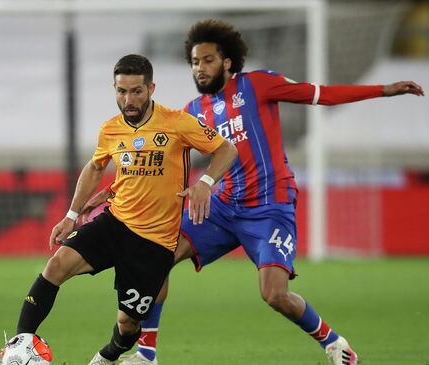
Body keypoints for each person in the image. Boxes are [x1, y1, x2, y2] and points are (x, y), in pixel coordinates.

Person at [81, 19, 424, 365]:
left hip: (269, 207)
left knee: (274, 294)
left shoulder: (259, 85)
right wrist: (111, 192)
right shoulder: (192, 112)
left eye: (208, 60)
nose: (200, 68)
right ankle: (146, 354)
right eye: (195, 62)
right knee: (157, 257)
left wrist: (382, 89)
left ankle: (335, 345)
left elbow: (321, 94)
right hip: (224, 206)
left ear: (227, 62)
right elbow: (154, 167)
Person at [0, 54, 237, 365]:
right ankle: (18, 347)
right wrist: (70, 215)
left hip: (154, 242)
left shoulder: (177, 123)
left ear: (151, 89)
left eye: (136, 91)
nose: (128, 99)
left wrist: (205, 182)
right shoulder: (111, 129)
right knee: (56, 265)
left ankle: (109, 355)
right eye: (121, 91)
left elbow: (227, 149)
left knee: (127, 324)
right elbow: (95, 167)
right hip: (115, 222)